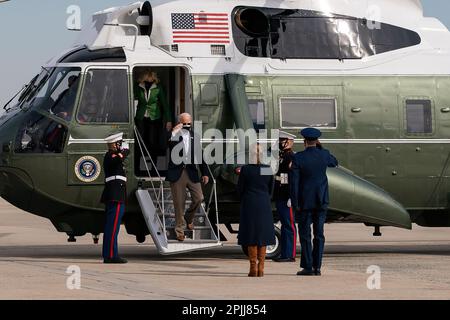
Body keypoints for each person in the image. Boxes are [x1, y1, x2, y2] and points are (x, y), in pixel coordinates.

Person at [290, 128, 338, 276]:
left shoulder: (298, 158)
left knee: (305, 235)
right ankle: (318, 267)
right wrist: (321, 148)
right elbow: (335, 162)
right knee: (319, 234)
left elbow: (294, 183)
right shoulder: (324, 155)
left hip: (304, 202)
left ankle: (308, 266)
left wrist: (295, 202)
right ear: (316, 141)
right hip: (321, 200)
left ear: (304, 141)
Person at [166, 113, 209, 242]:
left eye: (189, 123)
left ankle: (189, 218)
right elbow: (164, 144)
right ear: (179, 122)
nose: (187, 125)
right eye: (184, 123)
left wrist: (205, 172)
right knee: (179, 203)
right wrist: (173, 131)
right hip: (177, 172)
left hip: (191, 172)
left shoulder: (194, 136)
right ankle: (179, 230)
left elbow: (200, 156)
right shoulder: (173, 135)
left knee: (199, 197)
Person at [237, 143, 275, 277]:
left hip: (249, 203)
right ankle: (261, 267)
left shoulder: (246, 170)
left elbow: (240, 189)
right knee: (262, 235)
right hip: (263, 203)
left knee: (251, 235)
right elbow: (271, 189)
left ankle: (252, 267)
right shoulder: (267, 169)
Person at [101, 132, 129, 264]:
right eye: (119, 143)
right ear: (114, 144)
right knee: (112, 227)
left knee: (113, 227)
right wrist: (124, 152)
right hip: (115, 195)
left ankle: (111, 254)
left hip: (116, 194)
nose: (121, 145)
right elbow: (119, 158)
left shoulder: (114, 155)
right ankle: (111, 255)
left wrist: (123, 152)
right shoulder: (111, 156)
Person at [134, 69, 173, 163]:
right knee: (140, 140)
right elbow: (132, 99)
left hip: (155, 118)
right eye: (148, 77)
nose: (150, 79)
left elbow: (164, 104)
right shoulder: (137, 87)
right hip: (141, 118)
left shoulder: (158, 87)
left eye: (151, 77)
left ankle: (153, 164)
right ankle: (140, 165)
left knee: (153, 141)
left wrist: (169, 120)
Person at [272, 131, 297, 263]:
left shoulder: (291, 157)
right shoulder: (282, 157)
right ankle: (285, 253)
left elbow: (291, 180)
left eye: (282, 140)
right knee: (285, 225)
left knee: (289, 225)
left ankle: (290, 254)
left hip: (287, 195)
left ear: (289, 141)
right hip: (280, 195)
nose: (279, 143)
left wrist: (291, 197)